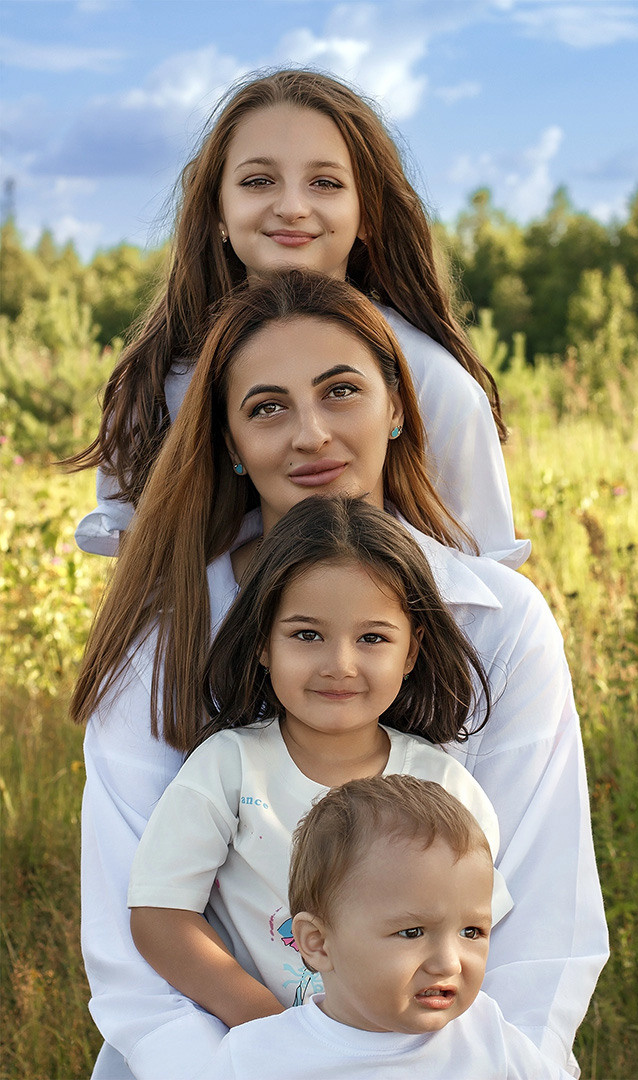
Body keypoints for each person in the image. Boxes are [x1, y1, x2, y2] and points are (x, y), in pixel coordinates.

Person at [75, 271, 608, 1080]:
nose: (312, 434)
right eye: (267, 407)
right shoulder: (166, 634)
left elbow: (536, 935)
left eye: (342, 391)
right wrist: (285, 1055)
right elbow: (136, 945)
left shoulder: (500, 621)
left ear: (396, 405)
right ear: (227, 438)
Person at [67, 67, 527, 567]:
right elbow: (141, 591)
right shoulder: (158, 385)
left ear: (367, 212)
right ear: (218, 209)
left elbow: (483, 598)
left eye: (325, 182)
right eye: (258, 181)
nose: (291, 207)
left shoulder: (435, 384)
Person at [127, 495, 512, 1024]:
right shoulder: (229, 768)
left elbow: (479, 931)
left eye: (373, 638)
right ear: (263, 641)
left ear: (412, 651)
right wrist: (270, 1028)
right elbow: (159, 914)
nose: (340, 665)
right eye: (307, 635)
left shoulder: (443, 785)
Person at [198, 775, 575, 1079]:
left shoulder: (486, 1035)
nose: (449, 963)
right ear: (319, 944)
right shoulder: (255, 1058)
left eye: (471, 932)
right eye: (413, 932)